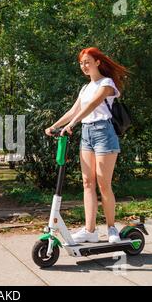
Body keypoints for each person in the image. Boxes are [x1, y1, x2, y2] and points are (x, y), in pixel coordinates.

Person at [45, 47, 129, 243]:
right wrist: (54, 125)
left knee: (103, 183)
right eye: (81, 63)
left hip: (103, 133)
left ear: (97, 62)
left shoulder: (107, 83)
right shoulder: (85, 88)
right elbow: (75, 110)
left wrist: (72, 125)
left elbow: (92, 105)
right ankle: (90, 230)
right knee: (87, 183)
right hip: (86, 133)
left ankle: (111, 228)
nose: (84, 66)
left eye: (87, 62)